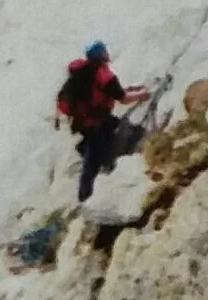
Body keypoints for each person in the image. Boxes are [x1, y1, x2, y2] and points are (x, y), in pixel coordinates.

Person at [56, 41, 149, 202]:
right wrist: (141, 95)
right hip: (94, 122)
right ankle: (85, 195)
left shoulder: (85, 72)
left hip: (84, 121)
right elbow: (123, 98)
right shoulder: (104, 75)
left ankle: (87, 148)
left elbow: (108, 92)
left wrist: (132, 90)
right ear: (102, 54)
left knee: (111, 127)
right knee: (94, 160)